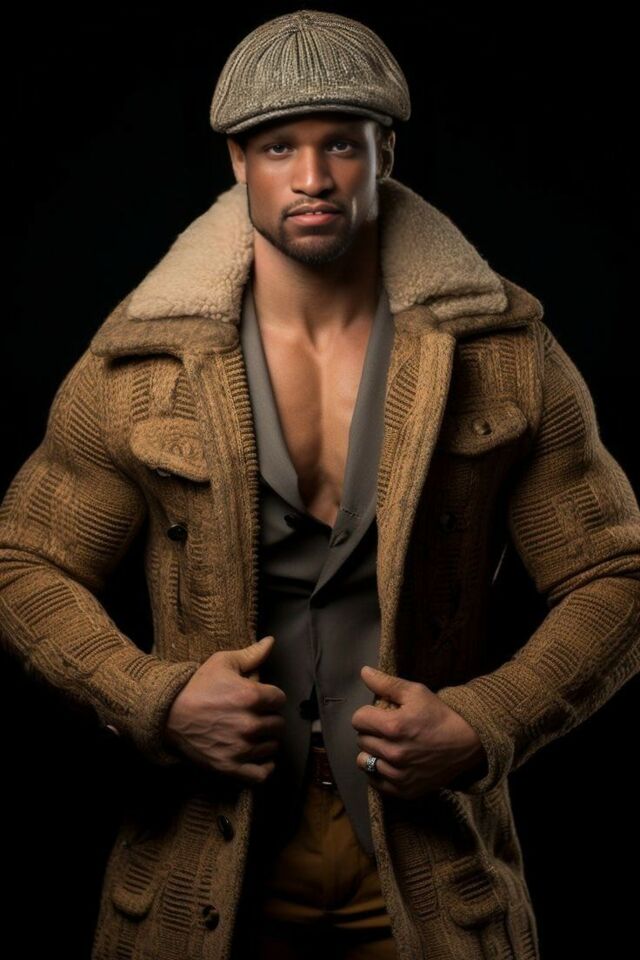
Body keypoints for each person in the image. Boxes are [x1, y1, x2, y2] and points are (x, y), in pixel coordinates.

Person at [0, 8, 638, 960]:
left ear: (386, 152)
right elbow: (25, 562)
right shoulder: (139, 363)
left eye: (341, 142)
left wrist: (485, 722)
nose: (312, 176)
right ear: (236, 161)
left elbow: (616, 574)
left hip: (433, 879)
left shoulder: (502, 350)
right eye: (277, 146)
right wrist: (153, 698)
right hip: (201, 879)